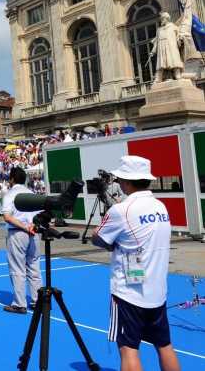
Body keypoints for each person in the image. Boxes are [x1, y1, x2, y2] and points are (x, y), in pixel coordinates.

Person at [92, 156, 180, 371]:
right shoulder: (160, 206)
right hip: (157, 290)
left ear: (126, 181)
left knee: (129, 348)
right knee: (164, 345)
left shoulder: (121, 210)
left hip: (128, 292)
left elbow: (99, 238)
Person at [1, 167, 42, 314]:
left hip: (18, 232)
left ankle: (19, 303)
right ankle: (38, 301)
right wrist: (32, 226)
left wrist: (25, 227)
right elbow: (40, 215)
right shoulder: (32, 194)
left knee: (17, 268)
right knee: (34, 267)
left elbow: (7, 217)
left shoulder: (10, 194)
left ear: (12, 179)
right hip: (34, 232)